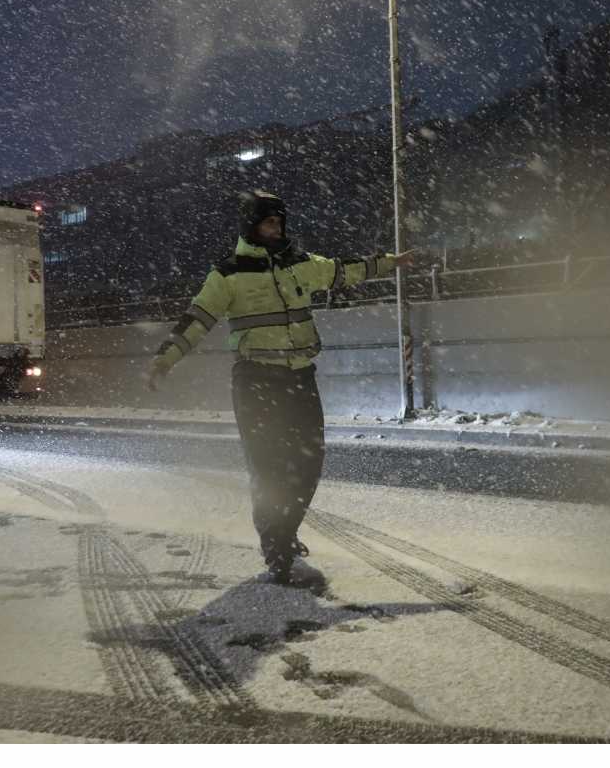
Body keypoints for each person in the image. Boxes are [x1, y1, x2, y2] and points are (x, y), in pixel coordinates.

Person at [146, 190, 414, 583]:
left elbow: (345, 270)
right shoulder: (228, 274)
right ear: (250, 226)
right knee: (269, 469)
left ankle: (284, 533)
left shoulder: (301, 265)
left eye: (279, 222)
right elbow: (197, 319)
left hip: (299, 378)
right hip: (256, 380)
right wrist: (164, 359)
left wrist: (390, 263)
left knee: (308, 464)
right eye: (267, 222)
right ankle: (278, 549)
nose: (275, 229)